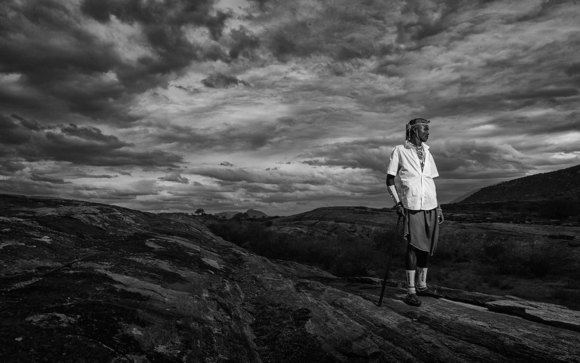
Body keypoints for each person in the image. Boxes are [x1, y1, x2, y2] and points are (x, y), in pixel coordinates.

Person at [386, 118, 444, 307]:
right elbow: (389, 180)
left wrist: (439, 206)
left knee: (425, 246)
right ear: (413, 131)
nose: (428, 132)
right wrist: (398, 203)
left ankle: (422, 285)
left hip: (430, 205)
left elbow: (430, 181)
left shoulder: (428, 152)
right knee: (413, 246)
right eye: (424, 129)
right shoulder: (400, 151)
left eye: (428, 129)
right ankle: (410, 291)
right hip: (411, 205)